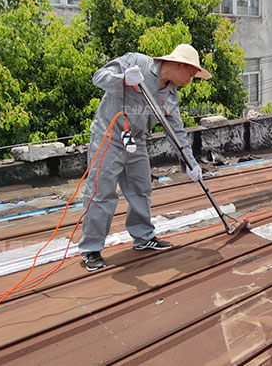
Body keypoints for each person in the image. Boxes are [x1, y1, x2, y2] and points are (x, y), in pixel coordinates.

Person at [79, 44, 212, 272]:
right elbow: (99, 77)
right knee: (102, 193)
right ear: (180, 64)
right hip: (108, 136)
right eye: (190, 74)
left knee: (141, 189)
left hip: (136, 140)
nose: (190, 80)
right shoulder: (136, 63)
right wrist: (122, 79)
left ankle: (143, 237)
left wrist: (190, 163)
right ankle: (91, 248)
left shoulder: (170, 96)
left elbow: (176, 132)